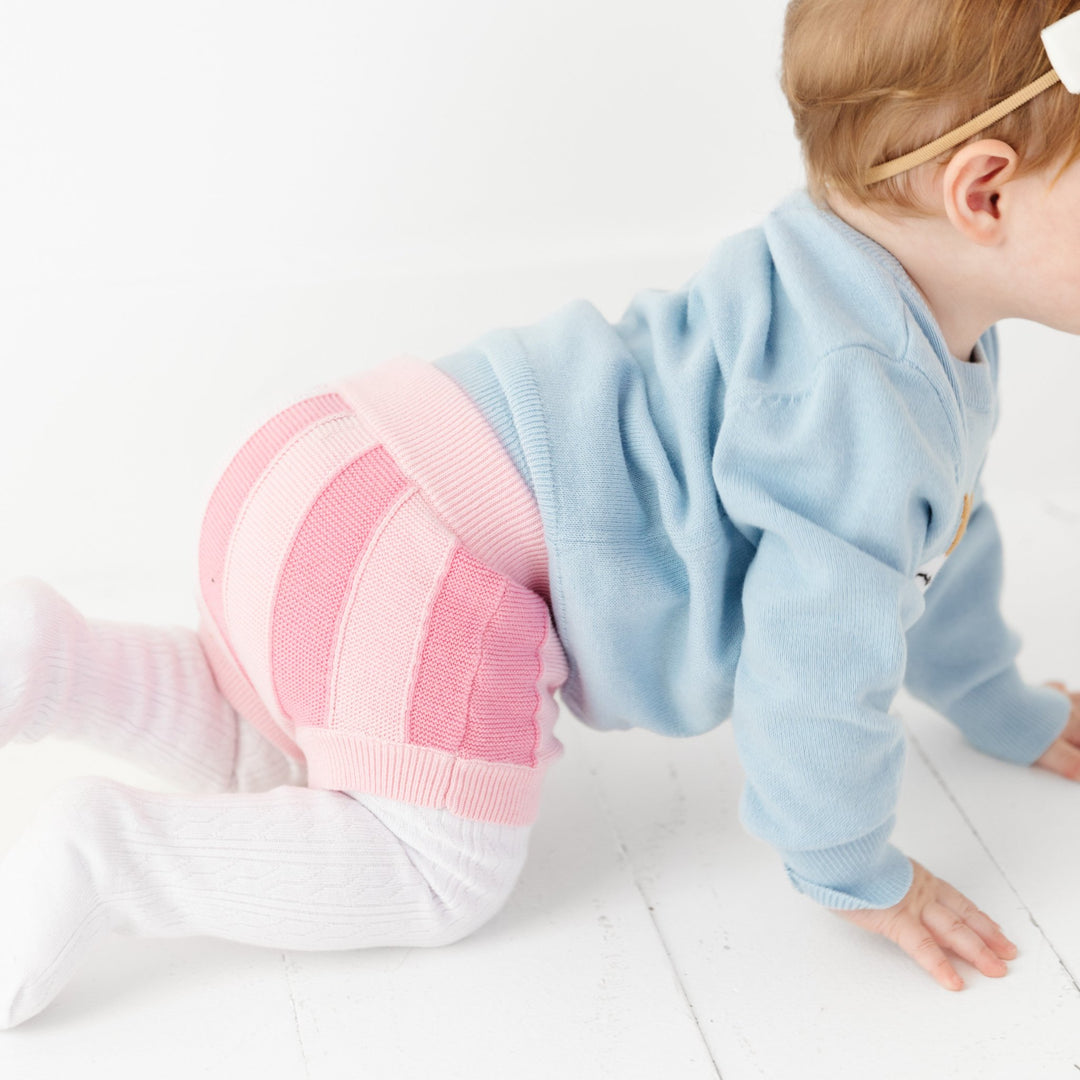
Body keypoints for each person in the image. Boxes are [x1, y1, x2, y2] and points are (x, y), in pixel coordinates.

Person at [3, 0, 1080, 1029]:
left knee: (267, 746)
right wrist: (856, 871)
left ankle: (52, 664)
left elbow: (937, 538)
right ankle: (114, 860)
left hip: (324, 465)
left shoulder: (837, 271)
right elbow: (814, 680)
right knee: (441, 870)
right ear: (982, 195)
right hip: (423, 559)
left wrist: (993, 700)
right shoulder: (865, 409)